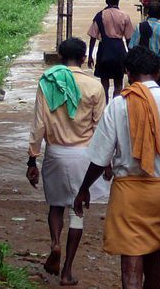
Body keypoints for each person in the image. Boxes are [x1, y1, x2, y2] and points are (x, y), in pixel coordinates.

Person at [73, 46, 160, 289]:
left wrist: (83, 189)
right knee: (154, 255)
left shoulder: (118, 105)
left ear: (127, 73)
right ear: (158, 71)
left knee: (131, 258)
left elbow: (100, 159)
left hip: (127, 193)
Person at [27, 37, 107, 285]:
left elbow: (39, 124)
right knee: (78, 210)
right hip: (84, 155)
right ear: (84, 58)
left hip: (55, 153)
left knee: (55, 206)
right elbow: (101, 128)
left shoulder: (48, 82)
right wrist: (107, 162)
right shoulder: (94, 87)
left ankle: (54, 243)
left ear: (61, 57)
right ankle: (67, 270)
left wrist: (32, 160)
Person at [87, 0, 134, 101]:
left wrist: (90, 56)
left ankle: (105, 107)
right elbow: (129, 40)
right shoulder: (125, 16)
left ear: (106, 1)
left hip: (104, 50)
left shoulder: (99, 15)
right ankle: (115, 107)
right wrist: (131, 59)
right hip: (119, 50)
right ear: (118, 1)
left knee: (104, 83)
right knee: (118, 83)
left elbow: (93, 37)